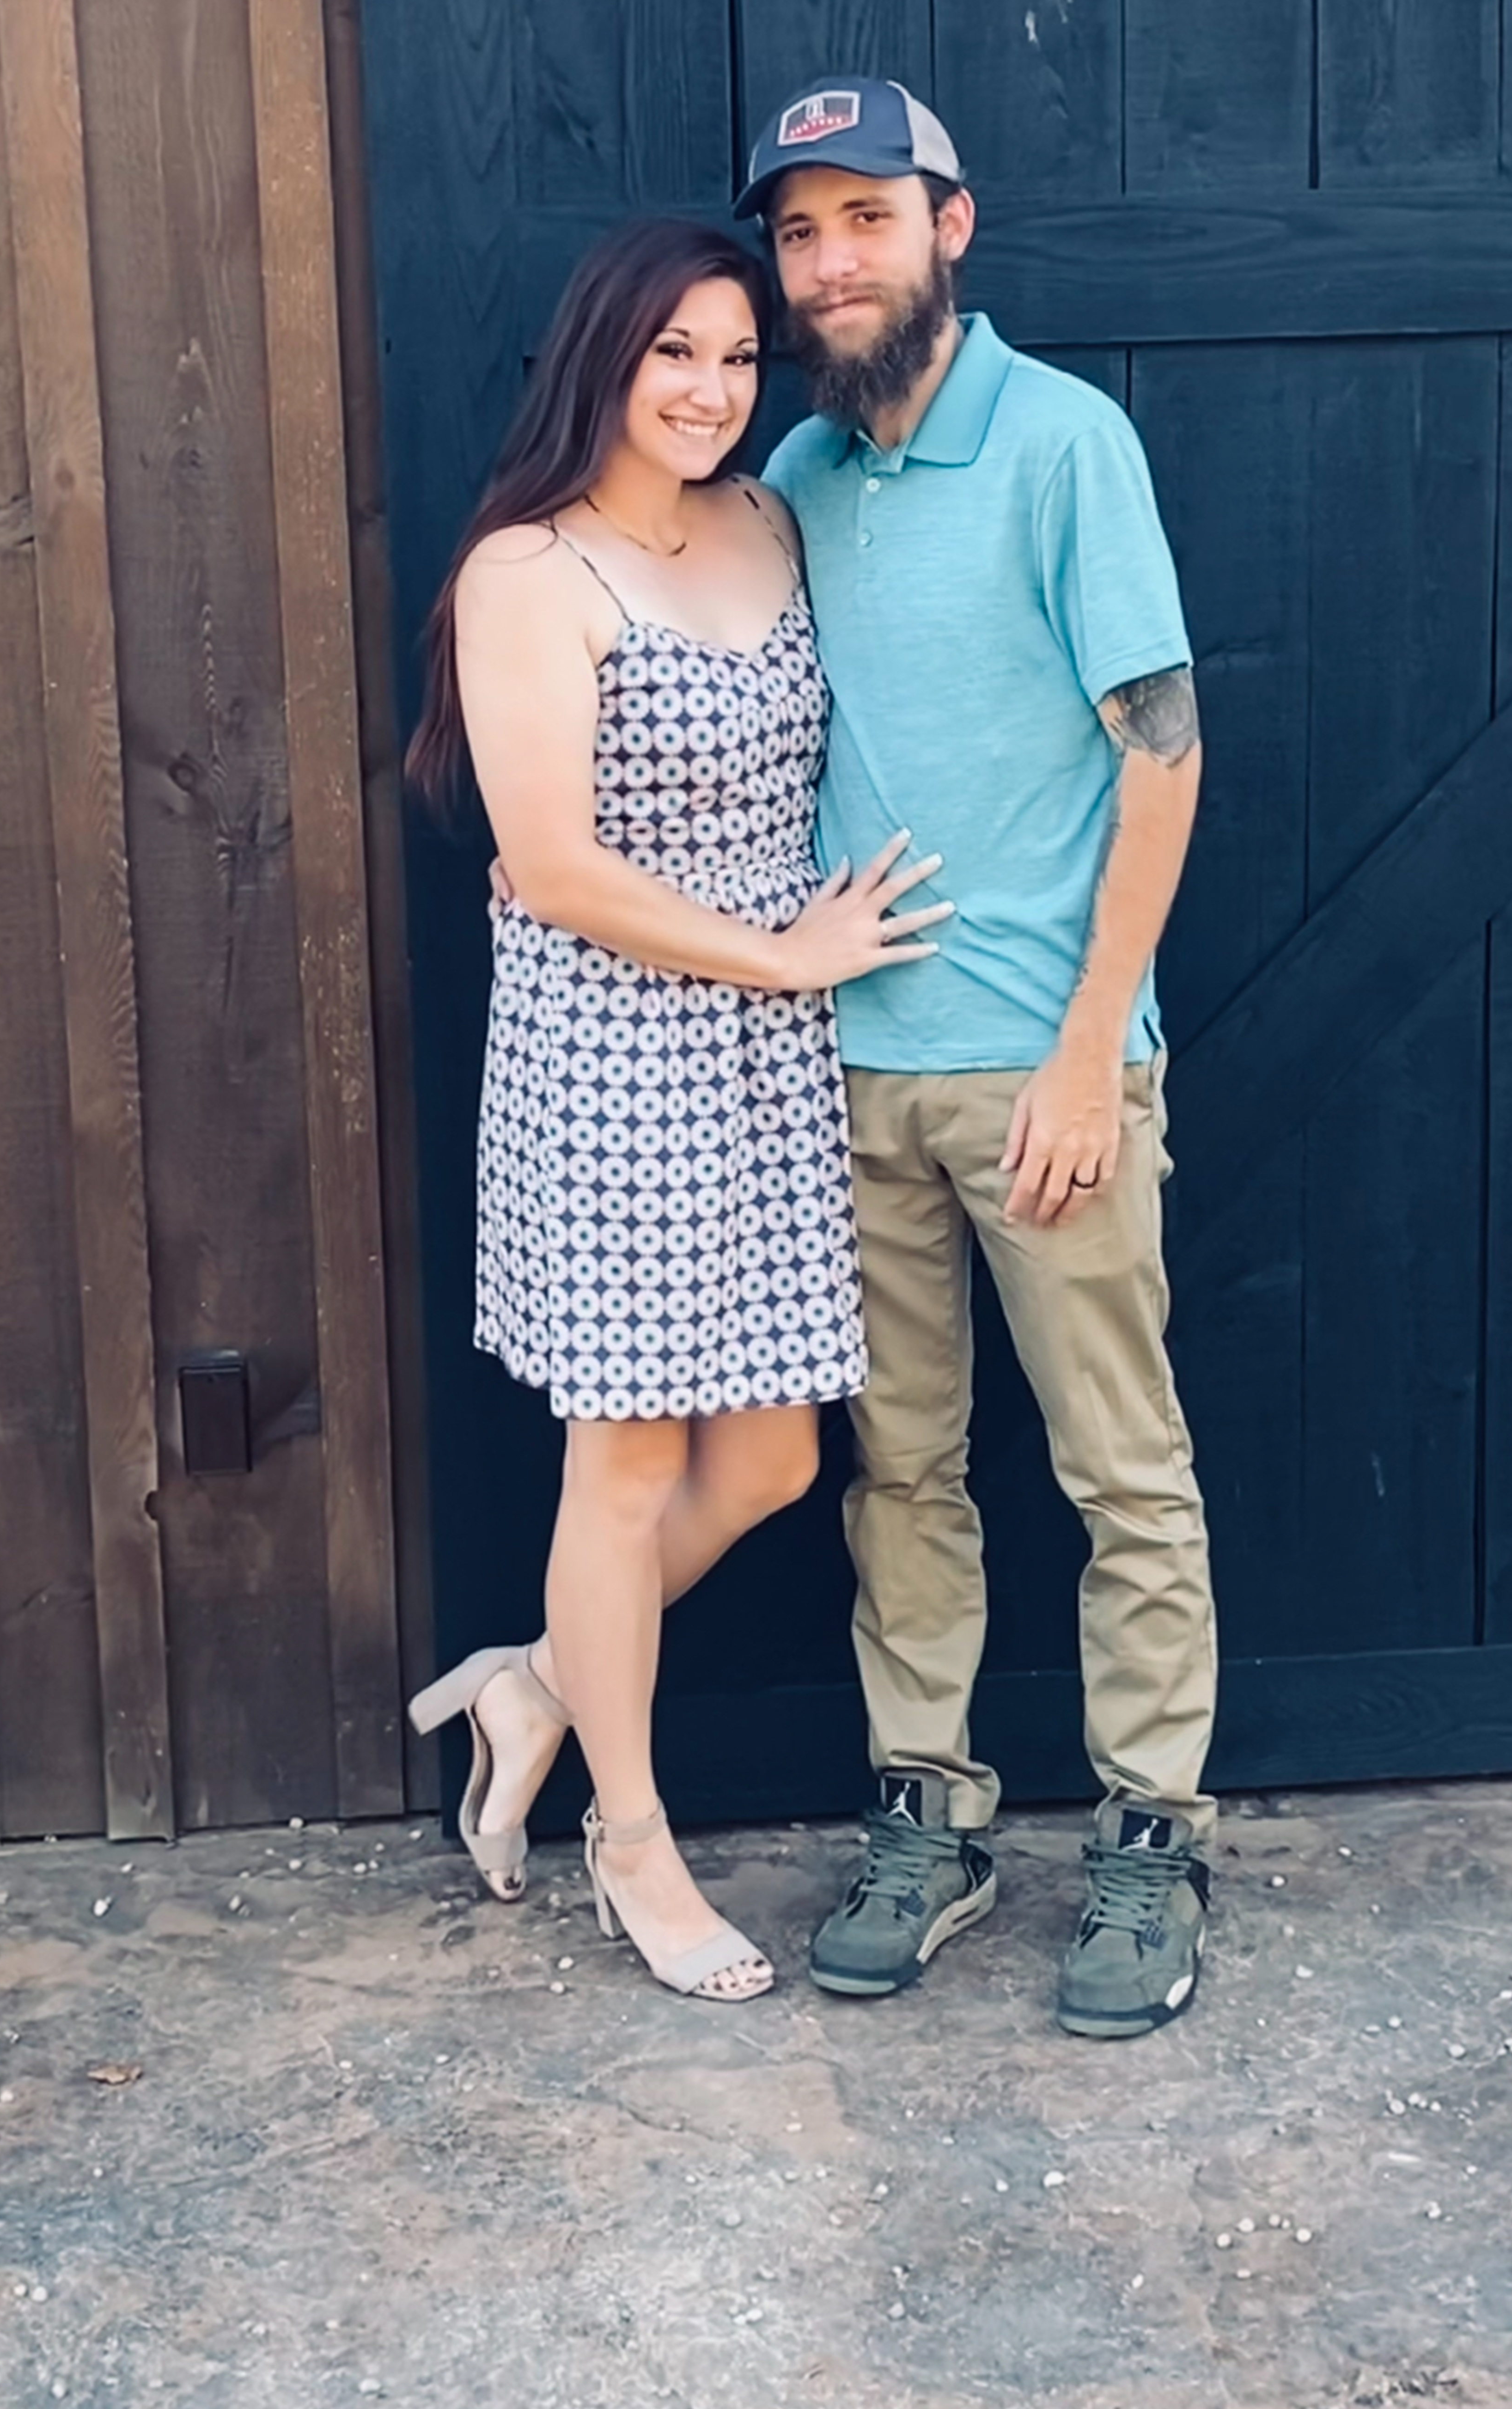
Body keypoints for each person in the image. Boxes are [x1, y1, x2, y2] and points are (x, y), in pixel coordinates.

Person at [402, 218, 950, 2004]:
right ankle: (629, 1841)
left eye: (736, 357)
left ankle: (539, 1687)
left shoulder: (770, 520)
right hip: (618, 1049)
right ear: (604, 362)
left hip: (768, 1057)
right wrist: (787, 955)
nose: (713, 391)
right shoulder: (529, 573)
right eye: (675, 356)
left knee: (774, 1458)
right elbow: (555, 866)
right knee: (627, 1462)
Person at [733, 79, 1219, 2038]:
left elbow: (1164, 756)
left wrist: (1092, 1053)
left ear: (952, 225)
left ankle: (1156, 1839)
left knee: (1123, 1470)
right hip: (849, 1070)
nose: (830, 261)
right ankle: (926, 1817)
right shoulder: (798, 474)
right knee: (900, 1473)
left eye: (868, 216)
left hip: (1044, 1070)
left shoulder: (1063, 442)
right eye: (799, 231)